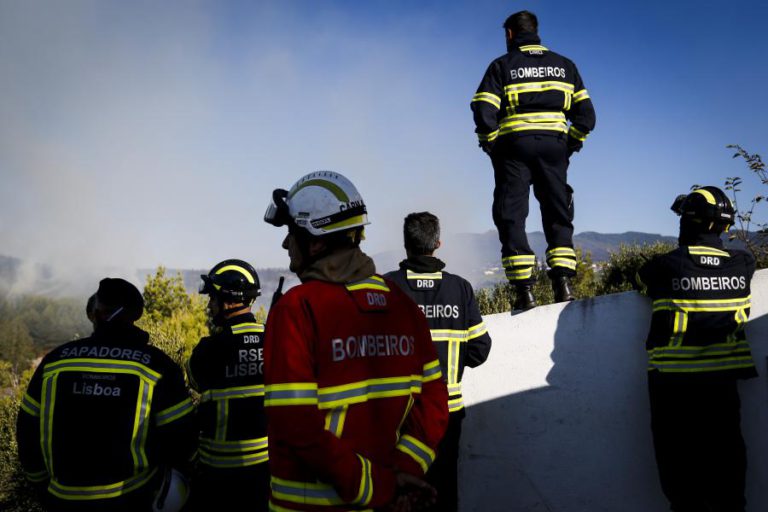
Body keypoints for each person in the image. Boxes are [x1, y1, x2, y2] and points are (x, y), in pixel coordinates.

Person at [262, 170, 449, 511]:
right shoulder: (402, 305)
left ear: (316, 242)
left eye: (292, 233)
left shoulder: (297, 309)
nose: (286, 244)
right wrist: (401, 475)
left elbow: (295, 423)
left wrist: (373, 485)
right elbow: (435, 402)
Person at [17, 278, 197, 512]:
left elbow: (27, 430)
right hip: (132, 498)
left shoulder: (54, 361)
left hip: (61, 499)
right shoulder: (157, 365)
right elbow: (182, 438)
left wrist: (41, 484)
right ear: (135, 315)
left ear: (95, 313)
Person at [637, 187, 757, 512]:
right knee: (729, 461)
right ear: (726, 226)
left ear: (687, 223)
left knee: (680, 474)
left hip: (674, 386)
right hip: (722, 383)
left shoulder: (668, 266)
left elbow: (642, 276)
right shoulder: (743, 263)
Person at [471, 10, 596, 311]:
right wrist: (570, 144)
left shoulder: (502, 65)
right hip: (555, 147)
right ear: (535, 31)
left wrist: (491, 145)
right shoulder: (565, 66)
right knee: (558, 212)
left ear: (510, 35)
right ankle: (563, 285)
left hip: (513, 149)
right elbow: (586, 115)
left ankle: (524, 292)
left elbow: (483, 109)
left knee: (511, 213)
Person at [384, 212, 492, 512]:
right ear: (438, 243)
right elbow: (480, 349)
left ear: (405, 244)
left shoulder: (386, 288)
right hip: (447, 414)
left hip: (399, 418)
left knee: (401, 496)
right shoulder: (459, 288)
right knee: (444, 492)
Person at [186, 259, 269, 512]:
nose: (209, 306)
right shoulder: (278, 339)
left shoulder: (207, 350)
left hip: (219, 474)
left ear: (229, 299)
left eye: (212, 298)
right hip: (268, 468)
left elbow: (196, 383)